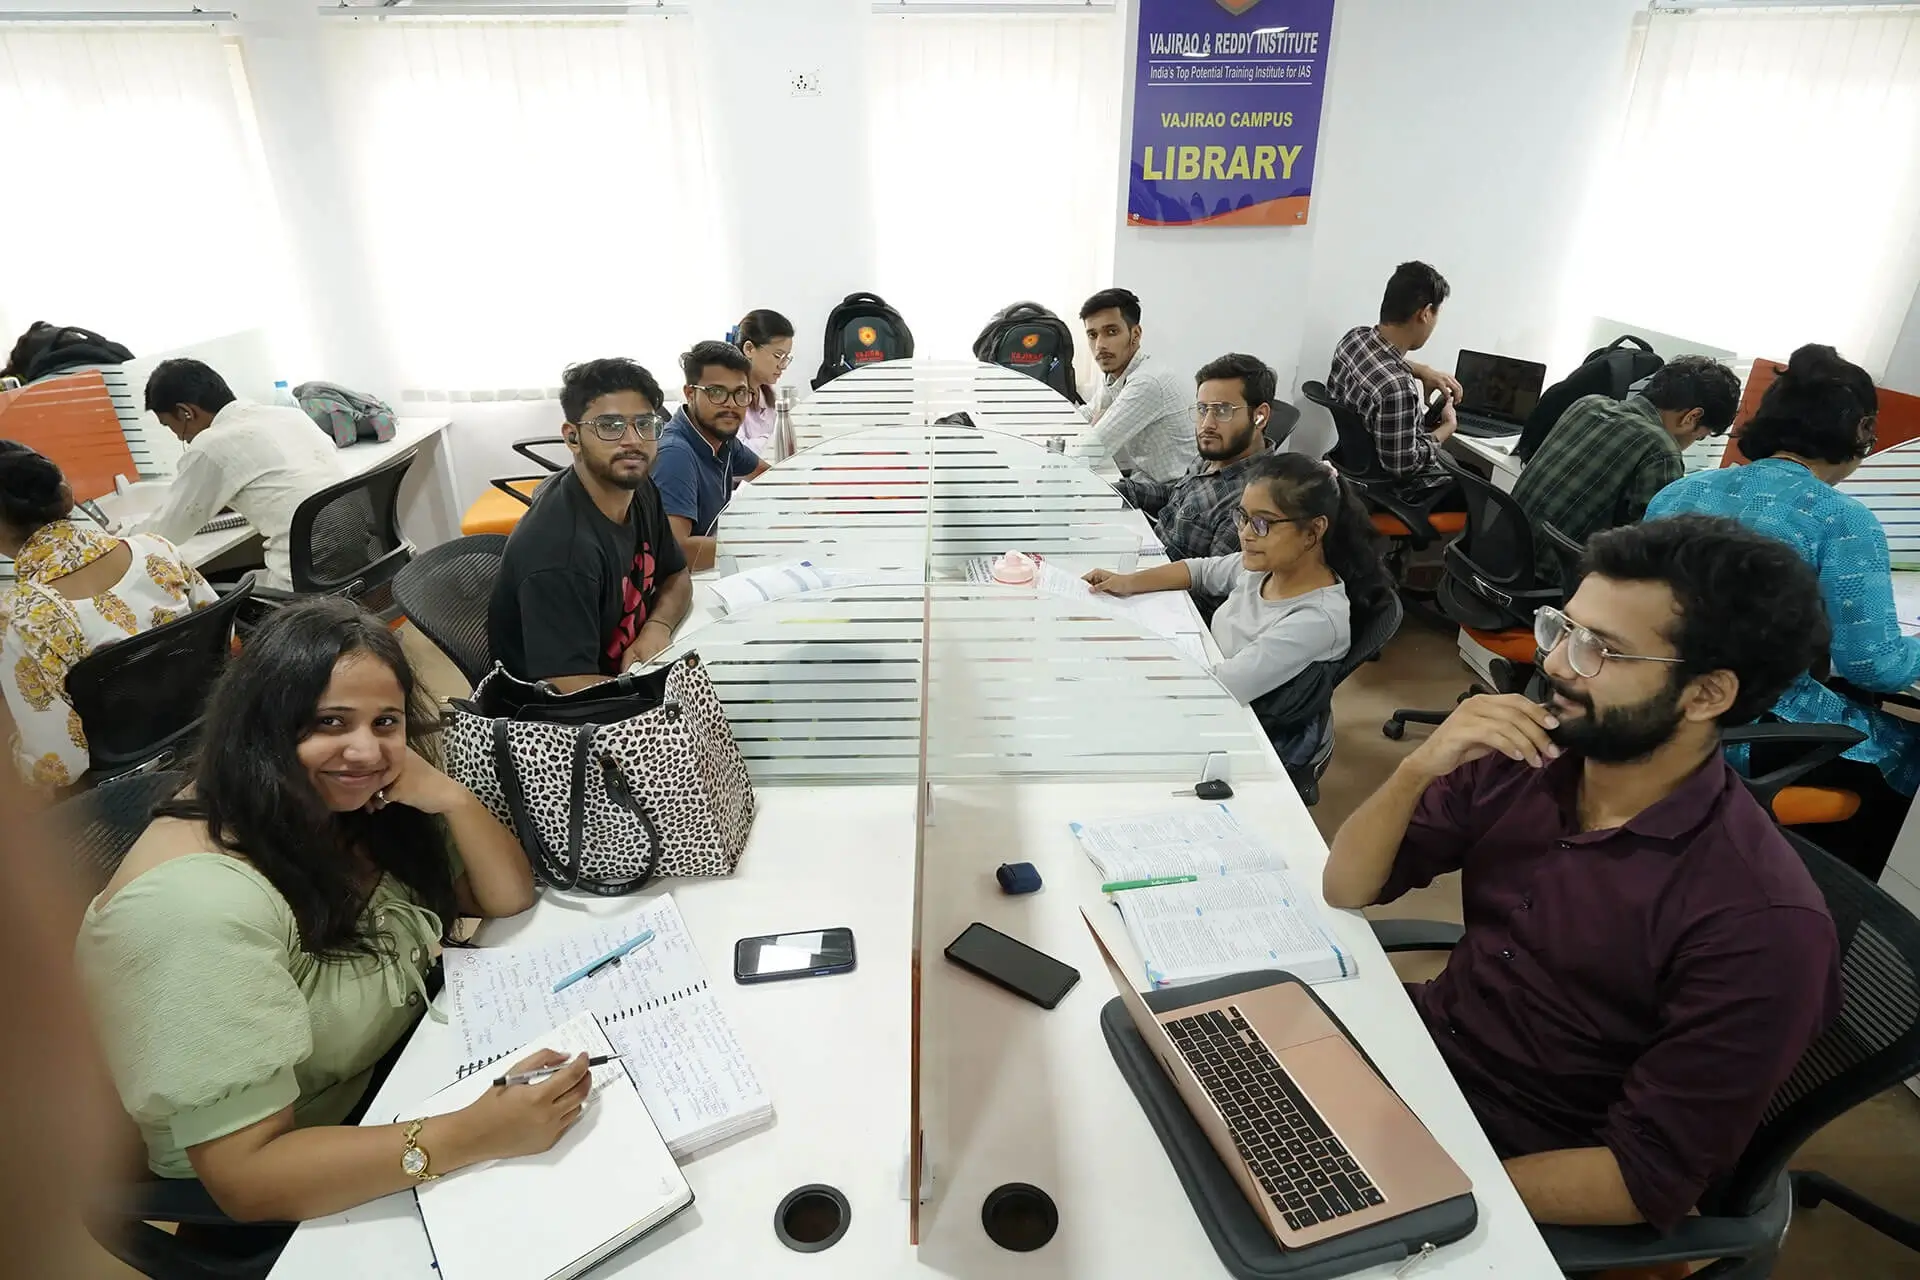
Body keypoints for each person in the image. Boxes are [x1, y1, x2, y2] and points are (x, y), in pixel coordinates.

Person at [1323, 515, 1840, 1233]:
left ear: (1707, 695)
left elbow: (1639, 1179)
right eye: (1563, 628)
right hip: (1423, 1055)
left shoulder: (1760, 923)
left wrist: (1409, 1187)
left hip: (1521, 1163)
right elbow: (1346, 887)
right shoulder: (1527, 758)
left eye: (1603, 650)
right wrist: (1417, 768)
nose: (1560, 663)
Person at [74, 598, 573, 1226]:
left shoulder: (347, 806)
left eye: (385, 722)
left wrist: (447, 796)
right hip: (307, 1174)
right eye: (330, 721)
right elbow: (248, 1179)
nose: (365, 751)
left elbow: (505, 897)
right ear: (261, 726)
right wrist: (471, 1135)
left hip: (398, 1078)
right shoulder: (196, 907)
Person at [1646, 344, 1915, 875]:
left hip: (1655, 708)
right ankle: (1838, 920)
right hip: (1748, 729)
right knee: (1903, 750)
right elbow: (1875, 665)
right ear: (1858, 431)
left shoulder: (1680, 492)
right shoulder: (1842, 521)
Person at [1084, 454, 1391, 766]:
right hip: (1208, 683)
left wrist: (1131, 669)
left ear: (1313, 532)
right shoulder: (1268, 566)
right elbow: (1200, 571)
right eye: (1242, 517)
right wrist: (1127, 582)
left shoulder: (1315, 619)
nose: (1245, 533)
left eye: (1262, 523)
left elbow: (1218, 687)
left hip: (1244, 728)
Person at [0, 442, 218, 790]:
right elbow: (225, 635)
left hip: (126, 784)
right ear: (68, 497)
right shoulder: (155, 548)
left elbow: (59, 766)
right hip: (210, 732)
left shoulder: (20, 616)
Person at [488, 358, 692, 691]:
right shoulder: (560, 552)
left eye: (644, 424)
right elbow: (571, 688)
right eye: (610, 426)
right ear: (572, 438)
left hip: (630, 675)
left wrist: (656, 625)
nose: (633, 441)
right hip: (568, 725)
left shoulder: (640, 489)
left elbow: (677, 574)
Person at [1513, 355, 1742, 589]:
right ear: (1691, 417)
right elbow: (1649, 550)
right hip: (1548, 587)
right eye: (1700, 436)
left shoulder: (1587, 404)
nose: (1693, 442)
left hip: (1498, 557)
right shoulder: (1660, 449)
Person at [133, 358, 346, 592]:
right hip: (355, 565)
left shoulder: (211, 444)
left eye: (169, 425)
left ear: (186, 413)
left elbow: (164, 533)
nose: (179, 437)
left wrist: (114, 541)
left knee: (200, 590)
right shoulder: (289, 416)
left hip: (302, 589)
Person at [1115, 352, 1279, 619]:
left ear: (1259, 416)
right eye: (1202, 410)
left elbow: (1209, 599)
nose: (1207, 424)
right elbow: (1175, 495)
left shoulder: (1251, 500)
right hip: (1144, 564)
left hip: (1163, 603)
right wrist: (1118, 490)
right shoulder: (1217, 455)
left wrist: (1131, 587)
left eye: (1223, 410)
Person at [1326, 261, 1462, 500]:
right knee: (1472, 483)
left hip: (1352, 469)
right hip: (1388, 489)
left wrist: (1423, 370)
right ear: (1426, 313)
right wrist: (1445, 429)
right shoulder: (1397, 389)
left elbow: (1379, 359)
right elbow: (1404, 466)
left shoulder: (1354, 339)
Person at [653, 340, 771, 571]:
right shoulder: (676, 455)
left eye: (740, 393)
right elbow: (677, 551)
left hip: (706, 569)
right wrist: (761, 547)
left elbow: (767, 476)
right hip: (679, 583)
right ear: (689, 393)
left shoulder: (721, 439)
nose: (730, 404)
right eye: (716, 393)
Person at [1069, 288, 1197, 482]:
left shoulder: (1146, 382)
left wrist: (1087, 433)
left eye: (1111, 332)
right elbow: (1087, 415)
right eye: (1093, 335)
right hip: (1146, 480)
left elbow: (1088, 453)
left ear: (1135, 334)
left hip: (1175, 495)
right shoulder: (1119, 373)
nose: (1100, 345)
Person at [732, 309, 795, 456]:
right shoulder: (728, 397)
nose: (783, 365)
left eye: (786, 358)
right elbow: (737, 458)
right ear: (749, 349)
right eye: (778, 355)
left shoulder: (765, 393)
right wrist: (780, 439)